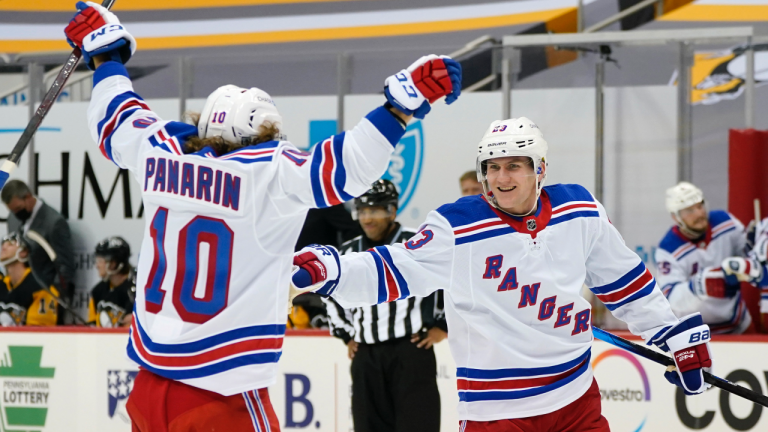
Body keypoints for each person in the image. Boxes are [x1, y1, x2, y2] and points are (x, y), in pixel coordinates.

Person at [64, 2, 461, 430]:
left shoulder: (157, 149)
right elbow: (347, 167)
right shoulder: (269, 172)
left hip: (147, 389)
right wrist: (400, 106)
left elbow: (115, 113)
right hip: (222, 391)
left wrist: (106, 53)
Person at [292, 117, 713, 431]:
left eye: (514, 166)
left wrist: (671, 334)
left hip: (575, 398)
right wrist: (332, 270)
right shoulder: (459, 226)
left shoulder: (578, 210)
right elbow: (396, 268)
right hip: (498, 410)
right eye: (492, 167)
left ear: (539, 169)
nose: (500, 177)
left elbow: (624, 281)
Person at [321, 179, 446, 432]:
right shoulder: (347, 252)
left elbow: (450, 281)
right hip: (366, 356)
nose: (367, 218)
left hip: (411, 351)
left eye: (375, 211)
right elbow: (330, 295)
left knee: (419, 425)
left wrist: (443, 325)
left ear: (392, 210)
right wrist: (347, 335)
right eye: (362, 211)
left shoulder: (417, 244)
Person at [655, 182, 758, 334]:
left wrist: (754, 246)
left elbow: (748, 257)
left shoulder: (725, 221)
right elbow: (668, 298)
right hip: (697, 333)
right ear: (676, 217)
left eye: (700, 206)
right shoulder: (668, 249)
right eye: (690, 210)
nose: (699, 213)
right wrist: (698, 286)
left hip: (738, 323)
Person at [1, 180, 75, 322]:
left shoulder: (54, 223)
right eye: (12, 210)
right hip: (18, 293)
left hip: (44, 294)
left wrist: (55, 295)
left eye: (18, 209)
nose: (15, 214)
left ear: (28, 197)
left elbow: (65, 265)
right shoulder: (13, 218)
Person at [0, 232, 58, 326]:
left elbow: (38, 334)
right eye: (3, 244)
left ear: (24, 252)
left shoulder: (40, 286)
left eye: (10, 244)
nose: (4, 247)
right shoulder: (2, 283)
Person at [88, 236, 135, 328]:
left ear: (114, 263)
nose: (97, 265)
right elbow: (92, 324)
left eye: (100, 261)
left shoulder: (137, 288)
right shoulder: (98, 291)